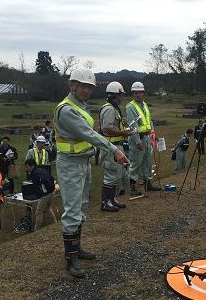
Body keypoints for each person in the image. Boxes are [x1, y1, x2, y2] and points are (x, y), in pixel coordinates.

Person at [54, 67, 128, 278]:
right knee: (72, 211)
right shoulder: (67, 110)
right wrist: (114, 150)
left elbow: (89, 134)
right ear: (72, 85)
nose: (87, 90)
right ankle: (71, 259)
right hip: (70, 165)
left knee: (82, 207)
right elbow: (89, 133)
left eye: (89, 87)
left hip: (82, 163)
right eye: (83, 86)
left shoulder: (80, 106)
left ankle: (77, 248)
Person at [99, 81, 133, 212]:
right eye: (121, 95)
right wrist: (122, 132)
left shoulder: (113, 108)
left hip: (116, 146)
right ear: (115, 95)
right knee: (111, 176)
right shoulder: (109, 109)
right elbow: (106, 128)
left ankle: (111, 200)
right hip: (110, 147)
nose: (122, 98)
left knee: (117, 175)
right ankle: (105, 202)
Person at [126, 81, 161, 196]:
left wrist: (153, 135)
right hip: (138, 139)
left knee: (147, 162)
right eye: (136, 93)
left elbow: (149, 121)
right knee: (135, 163)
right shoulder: (130, 106)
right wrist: (137, 141)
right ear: (133, 94)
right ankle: (132, 188)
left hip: (146, 137)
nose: (138, 95)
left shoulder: (145, 105)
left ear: (143, 93)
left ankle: (148, 185)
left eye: (140, 92)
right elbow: (132, 125)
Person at [24, 159, 56, 231]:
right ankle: (55, 222)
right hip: (50, 192)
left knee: (38, 212)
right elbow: (51, 178)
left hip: (44, 195)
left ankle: (36, 230)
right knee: (48, 208)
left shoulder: (35, 174)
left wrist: (42, 192)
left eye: (27, 167)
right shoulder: (41, 170)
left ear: (32, 166)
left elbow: (43, 181)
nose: (26, 169)